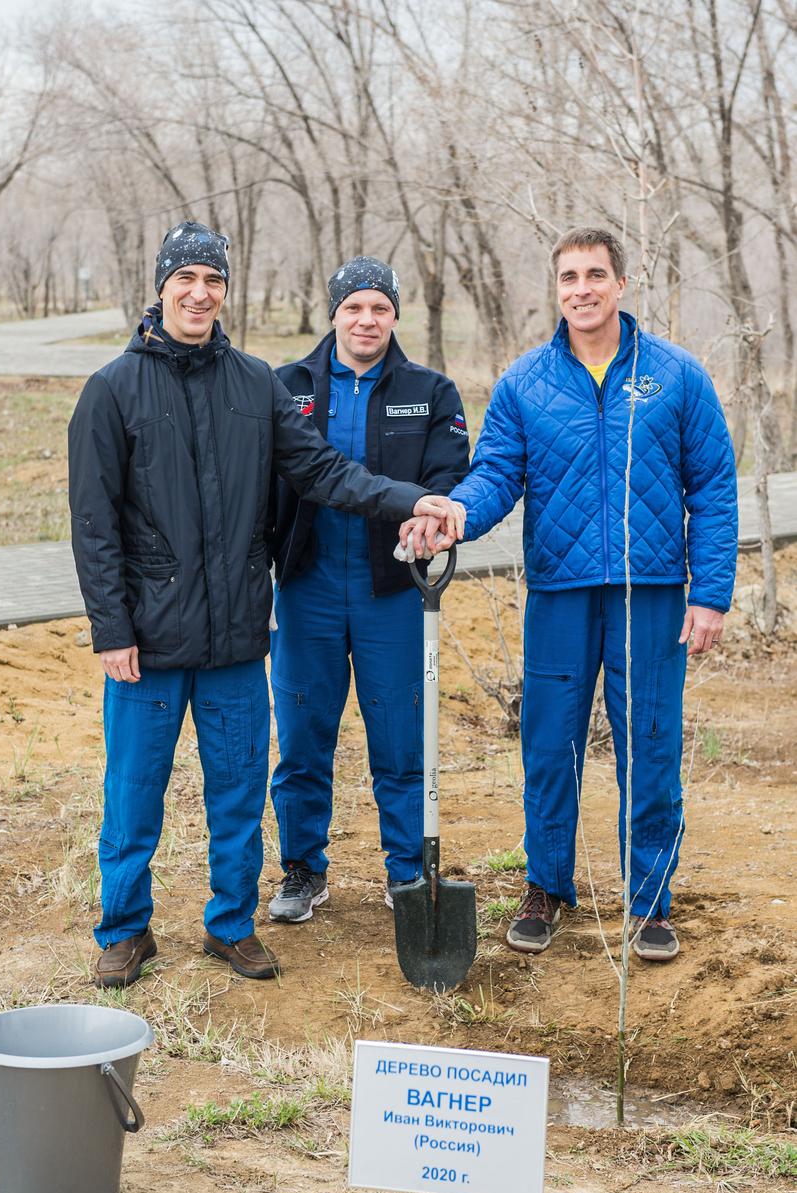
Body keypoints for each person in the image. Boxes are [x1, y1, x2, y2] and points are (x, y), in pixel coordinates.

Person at [68, 222, 463, 988]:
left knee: (240, 793)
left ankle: (230, 925)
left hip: (238, 642)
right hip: (146, 642)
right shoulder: (112, 389)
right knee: (133, 795)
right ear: (161, 288)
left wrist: (414, 497)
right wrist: (110, 629)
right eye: (184, 279)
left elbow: (324, 473)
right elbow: (93, 522)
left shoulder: (256, 385)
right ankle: (124, 929)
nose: (198, 293)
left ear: (224, 292)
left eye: (212, 280)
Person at [399, 227, 737, 962]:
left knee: (649, 749)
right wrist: (455, 513)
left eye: (594, 275)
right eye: (567, 278)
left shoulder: (674, 376)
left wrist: (709, 595)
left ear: (621, 284)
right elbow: (494, 474)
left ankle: (649, 903)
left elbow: (711, 488)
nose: (580, 289)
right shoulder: (526, 382)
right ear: (555, 290)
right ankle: (546, 888)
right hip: (558, 594)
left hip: (648, 596)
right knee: (548, 747)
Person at [265, 256, 470, 923]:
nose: (366, 319)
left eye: (379, 308)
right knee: (301, 739)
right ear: (333, 313)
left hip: (393, 593)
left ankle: (406, 873)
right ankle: (302, 871)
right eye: (353, 307)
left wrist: (433, 526)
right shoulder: (284, 386)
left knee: (400, 741)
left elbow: (448, 480)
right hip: (307, 589)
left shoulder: (431, 391)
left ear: (395, 316)